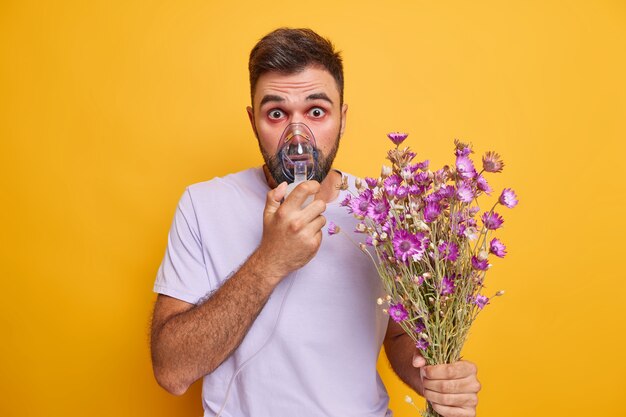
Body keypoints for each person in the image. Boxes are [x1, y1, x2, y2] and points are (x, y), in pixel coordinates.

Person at [150, 28, 481, 417]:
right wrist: (270, 261)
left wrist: (439, 380)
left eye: (316, 111)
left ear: (342, 118)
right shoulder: (203, 205)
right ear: (253, 120)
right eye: (276, 113)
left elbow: (397, 334)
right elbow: (172, 371)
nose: (297, 135)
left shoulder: (384, 210)